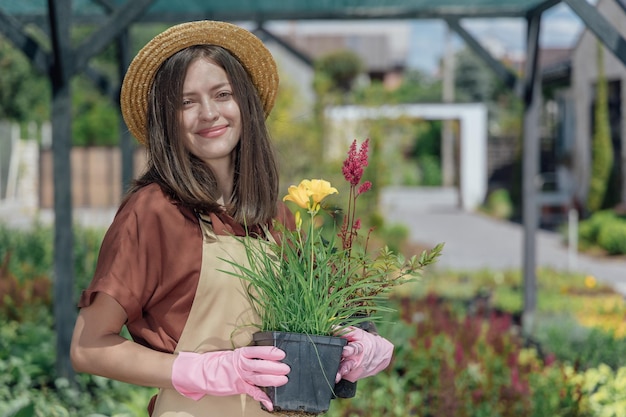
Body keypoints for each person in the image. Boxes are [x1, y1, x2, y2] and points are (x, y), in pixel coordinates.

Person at [70, 20, 393, 417]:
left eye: (222, 94)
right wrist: (205, 370)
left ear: (245, 103)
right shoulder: (154, 211)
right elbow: (88, 347)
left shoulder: (274, 215)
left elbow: (322, 319)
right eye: (186, 102)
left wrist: (361, 343)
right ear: (167, 120)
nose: (208, 113)